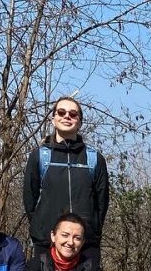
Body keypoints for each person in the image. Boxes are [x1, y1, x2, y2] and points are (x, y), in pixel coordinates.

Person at [23, 96, 110, 257]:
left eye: (73, 114)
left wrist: (93, 232)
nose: (67, 117)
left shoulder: (94, 159)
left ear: (80, 121)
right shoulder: (40, 156)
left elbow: (102, 203)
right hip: (47, 244)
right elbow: (30, 199)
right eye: (61, 112)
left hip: (85, 246)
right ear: (53, 119)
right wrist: (39, 231)